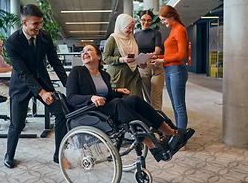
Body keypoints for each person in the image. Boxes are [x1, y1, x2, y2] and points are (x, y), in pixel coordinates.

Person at [66, 43, 194, 162]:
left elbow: (108, 96)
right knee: (117, 103)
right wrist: (91, 98)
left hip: (107, 109)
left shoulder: (105, 75)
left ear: (99, 56)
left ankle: (172, 133)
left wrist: (116, 91)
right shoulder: (77, 72)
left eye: (89, 50)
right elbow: (71, 98)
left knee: (134, 99)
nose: (84, 53)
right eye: (82, 51)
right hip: (91, 112)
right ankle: (152, 143)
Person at [4, 4, 68, 168]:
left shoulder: (45, 36)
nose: (39, 27)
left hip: (43, 83)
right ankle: (9, 156)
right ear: (24, 23)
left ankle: (58, 154)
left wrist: (69, 85)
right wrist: (41, 92)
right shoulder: (12, 42)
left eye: (40, 23)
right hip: (21, 86)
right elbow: (23, 73)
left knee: (61, 113)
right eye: (35, 24)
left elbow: (55, 63)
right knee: (17, 124)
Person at [150, 5, 189, 135]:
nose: (163, 22)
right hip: (170, 69)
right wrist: (157, 56)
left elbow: (181, 55)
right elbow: (172, 54)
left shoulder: (179, 29)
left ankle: (181, 138)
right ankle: (178, 135)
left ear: (171, 16)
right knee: (175, 106)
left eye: (163, 19)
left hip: (176, 70)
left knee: (179, 106)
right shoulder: (173, 29)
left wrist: (162, 60)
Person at [103, 13, 144, 98]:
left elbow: (134, 57)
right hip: (118, 77)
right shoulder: (113, 39)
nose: (131, 30)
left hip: (133, 76)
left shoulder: (132, 39)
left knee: (137, 100)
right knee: (121, 102)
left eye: (133, 28)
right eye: (128, 27)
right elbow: (106, 58)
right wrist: (122, 60)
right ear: (121, 25)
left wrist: (140, 63)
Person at [134, 10, 165, 110]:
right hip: (143, 68)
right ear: (139, 20)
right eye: (143, 20)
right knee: (148, 98)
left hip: (156, 68)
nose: (146, 22)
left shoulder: (156, 34)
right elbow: (134, 52)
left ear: (152, 21)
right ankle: (152, 121)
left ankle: (158, 122)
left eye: (149, 20)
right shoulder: (136, 35)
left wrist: (150, 54)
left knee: (156, 99)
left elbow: (157, 51)